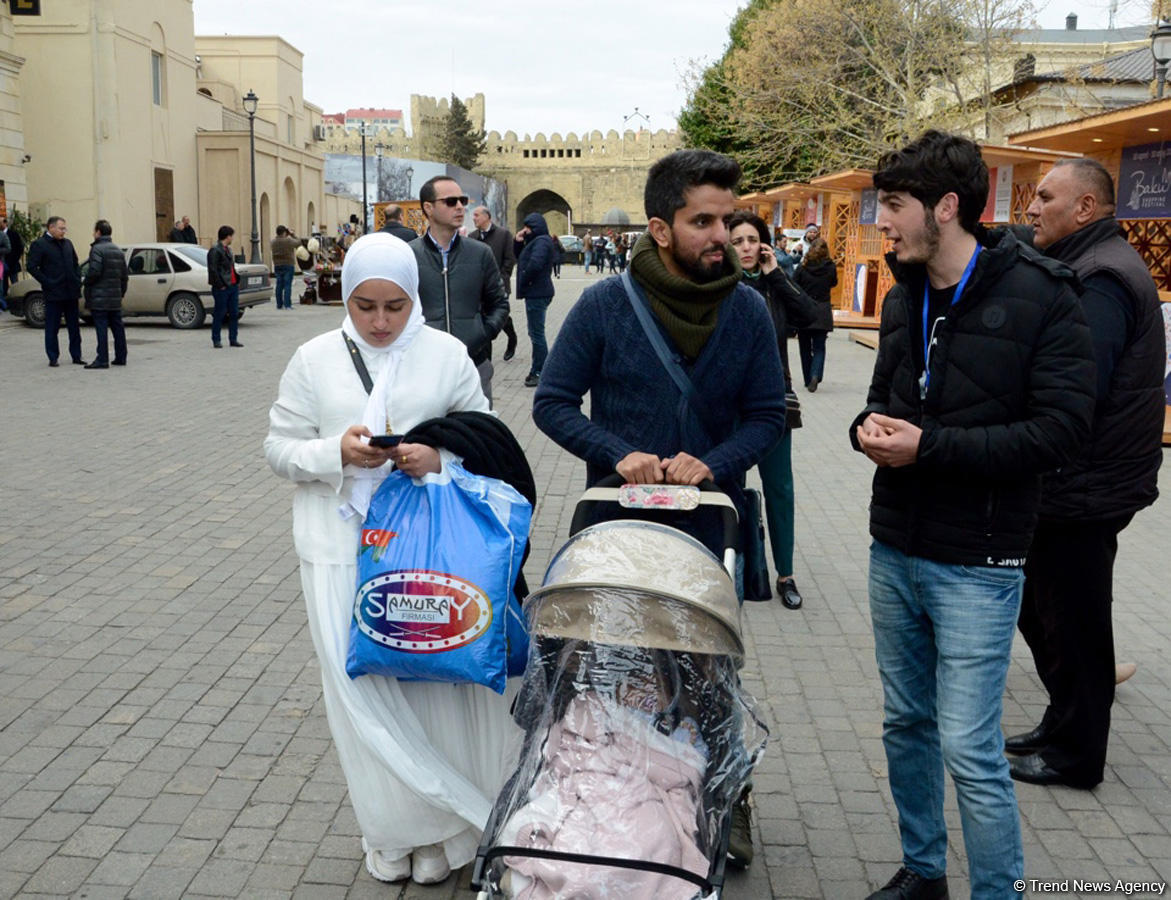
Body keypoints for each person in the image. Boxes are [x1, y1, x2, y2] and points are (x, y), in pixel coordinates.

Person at [851, 131, 1095, 900]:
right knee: (905, 727)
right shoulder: (902, 295)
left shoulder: (1044, 295)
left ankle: (998, 891)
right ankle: (923, 872)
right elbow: (880, 400)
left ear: (945, 206)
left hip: (979, 563)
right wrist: (865, 430)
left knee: (967, 744)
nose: (879, 221)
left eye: (891, 206)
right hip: (894, 548)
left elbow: (1061, 434)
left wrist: (930, 447)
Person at [533, 149, 786, 870]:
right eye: (701, 220)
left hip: (709, 528)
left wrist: (716, 461)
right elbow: (552, 403)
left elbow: (768, 414)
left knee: (708, 669)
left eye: (725, 218)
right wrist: (616, 451)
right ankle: (604, 798)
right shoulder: (605, 306)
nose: (720, 233)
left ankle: (725, 798)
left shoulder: (744, 312)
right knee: (609, 666)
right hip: (618, 529)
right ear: (660, 227)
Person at [265, 232, 517, 887]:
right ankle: (391, 832)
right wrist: (334, 455)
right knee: (361, 699)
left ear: (416, 299)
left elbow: (483, 436)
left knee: (432, 691)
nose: (379, 321)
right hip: (336, 551)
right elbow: (278, 449)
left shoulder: (447, 354)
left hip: (428, 554)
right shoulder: (312, 357)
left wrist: (440, 457)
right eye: (364, 306)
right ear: (345, 297)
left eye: (395, 306)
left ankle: (446, 832)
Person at [1004, 158, 1164, 790]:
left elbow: (1075, 388)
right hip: (1078, 478)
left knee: (1075, 619)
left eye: (1045, 197)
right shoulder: (1088, 265)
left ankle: (1078, 755)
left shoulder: (1100, 279)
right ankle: (1062, 720)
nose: (1032, 208)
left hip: (1085, 483)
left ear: (1086, 209)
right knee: (1043, 611)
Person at [728, 211, 818, 610]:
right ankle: (730, 569)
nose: (745, 248)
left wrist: (776, 273)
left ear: (763, 245)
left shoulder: (774, 285)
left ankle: (785, 573)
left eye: (752, 240)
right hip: (728, 406)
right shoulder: (717, 287)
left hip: (774, 402)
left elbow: (811, 318)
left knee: (779, 489)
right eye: (737, 241)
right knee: (728, 488)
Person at [411, 176, 510, 404]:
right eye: (450, 201)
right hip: (423, 368)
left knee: (477, 436)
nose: (460, 207)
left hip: (473, 364)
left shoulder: (480, 253)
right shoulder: (409, 255)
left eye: (462, 200)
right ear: (429, 208)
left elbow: (499, 304)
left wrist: (481, 334)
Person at [27, 216, 85, 367]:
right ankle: (53, 357)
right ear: (51, 228)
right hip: (53, 292)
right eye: (61, 228)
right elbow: (32, 267)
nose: (63, 231)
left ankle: (76, 355)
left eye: (64, 228)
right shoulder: (40, 245)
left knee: (74, 327)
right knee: (52, 327)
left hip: (71, 291)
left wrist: (77, 279)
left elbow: (75, 263)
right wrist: (47, 282)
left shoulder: (67, 243)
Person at [469, 205, 518, 361]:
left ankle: (512, 338)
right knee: (485, 319)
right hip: (479, 288)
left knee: (500, 315)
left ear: (486, 217)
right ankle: (486, 360)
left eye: (477, 215)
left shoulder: (503, 235)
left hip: (499, 285)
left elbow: (510, 259)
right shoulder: (472, 237)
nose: (474, 218)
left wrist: (501, 280)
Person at [515, 213, 557, 388]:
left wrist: (524, 279)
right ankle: (539, 370)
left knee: (537, 334)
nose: (525, 230)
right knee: (535, 333)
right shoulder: (538, 240)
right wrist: (517, 241)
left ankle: (540, 371)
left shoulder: (541, 242)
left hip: (537, 293)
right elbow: (520, 257)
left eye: (528, 227)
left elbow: (534, 264)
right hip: (537, 292)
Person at [82, 219, 128, 369]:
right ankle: (121, 357)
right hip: (114, 297)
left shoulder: (97, 249)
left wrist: (87, 282)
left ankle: (102, 359)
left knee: (101, 328)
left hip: (100, 297)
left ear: (98, 232)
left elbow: (94, 271)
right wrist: (120, 293)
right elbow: (124, 276)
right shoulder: (118, 250)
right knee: (117, 328)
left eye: (94, 231)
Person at [793, 237, 838, 391]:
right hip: (822, 310)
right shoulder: (831, 267)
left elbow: (794, 285)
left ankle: (807, 379)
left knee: (804, 347)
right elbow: (834, 283)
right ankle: (815, 375)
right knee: (819, 347)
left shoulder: (802, 266)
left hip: (804, 310)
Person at [208, 225, 243, 349]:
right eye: (232, 236)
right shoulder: (215, 250)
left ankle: (233, 338)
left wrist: (236, 281)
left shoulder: (228, 249)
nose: (232, 238)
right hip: (222, 287)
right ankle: (216, 339)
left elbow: (231, 267)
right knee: (220, 313)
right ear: (227, 236)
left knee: (234, 313)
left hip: (232, 285)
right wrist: (220, 285)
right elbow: (213, 270)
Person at [271, 225, 299, 310]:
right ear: (284, 232)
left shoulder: (273, 242)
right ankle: (287, 305)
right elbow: (299, 242)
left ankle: (279, 304)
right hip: (288, 264)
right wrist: (292, 234)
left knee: (279, 285)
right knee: (287, 285)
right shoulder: (289, 240)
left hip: (277, 265)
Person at [1, 215, 24, 297]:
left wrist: (12, 261)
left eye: (1, 222)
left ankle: (17, 301)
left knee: (15, 285)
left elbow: (20, 248)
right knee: (3, 286)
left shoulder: (13, 234)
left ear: (5, 223)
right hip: (2, 265)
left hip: (12, 264)